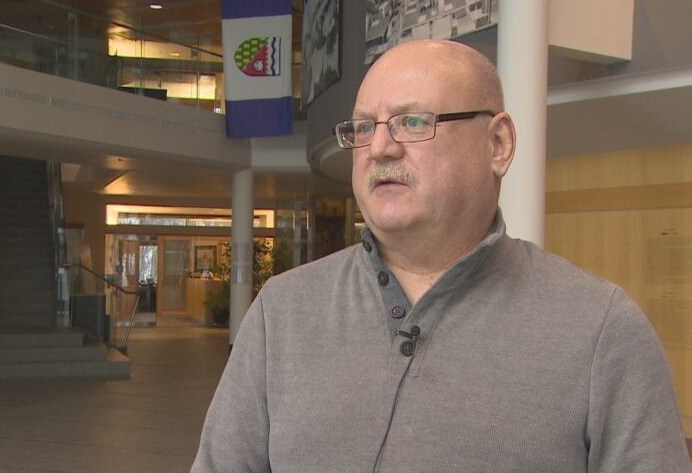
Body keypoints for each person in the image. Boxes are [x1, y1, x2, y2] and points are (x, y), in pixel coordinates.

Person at [192, 40, 691, 472]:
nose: (380, 147)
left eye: (412, 122)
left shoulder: (601, 330)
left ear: (498, 144)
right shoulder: (283, 311)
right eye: (364, 127)